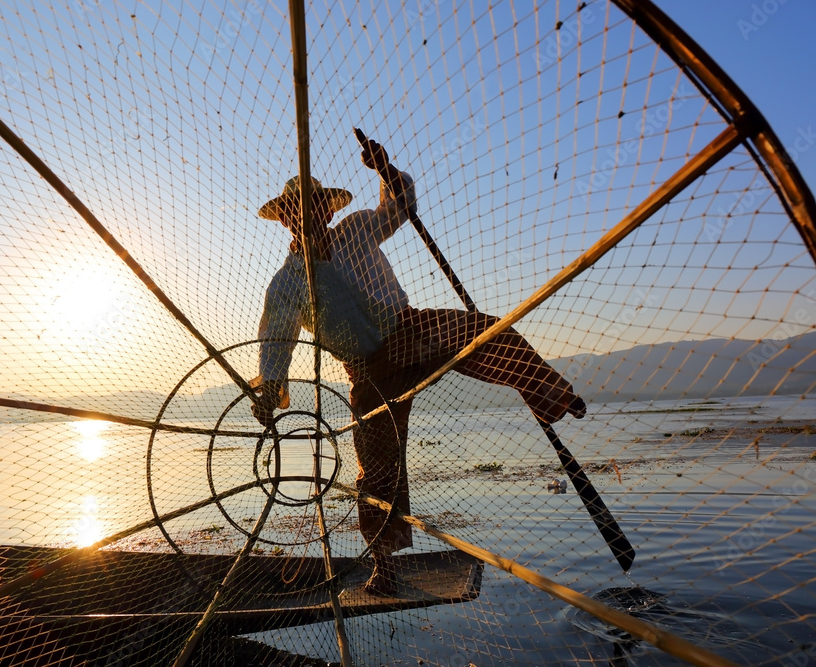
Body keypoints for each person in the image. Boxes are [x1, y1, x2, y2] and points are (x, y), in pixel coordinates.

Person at [251, 139, 586, 595]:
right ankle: (383, 568)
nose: (309, 216)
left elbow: (400, 208)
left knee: (487, 331)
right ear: (287, 218)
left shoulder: (355, 229)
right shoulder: (287, 283)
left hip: (411, 332)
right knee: (376, 470)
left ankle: (552, 395)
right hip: (367, 370)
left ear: (328, 210)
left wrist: (386, 171)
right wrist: (270, 390)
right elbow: (275, 344)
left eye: (315, 207)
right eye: (298, 210)